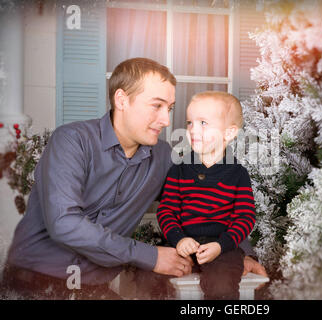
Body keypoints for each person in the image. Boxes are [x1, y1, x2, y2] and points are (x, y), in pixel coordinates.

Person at [1, 58, 266, 300]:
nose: (165, 120)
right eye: (157, 106)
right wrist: (151, 256)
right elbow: (65, 223)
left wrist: (235, 252)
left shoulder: (163, 158)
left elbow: (207, 195)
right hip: (31, 283)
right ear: (122, 100)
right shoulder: (72, 141)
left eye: (170, 108)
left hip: (93, 291)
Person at [156, 91, 258, 299]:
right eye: (190, 123)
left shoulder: (237, 174)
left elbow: (245, 217)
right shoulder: (179, 169)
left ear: (228, 133)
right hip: (183, 243)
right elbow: (167, 210)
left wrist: (222, 245)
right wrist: (178, 239)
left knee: (222, 285)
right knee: (150, 278)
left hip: (222, 246)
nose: (193, 129)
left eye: (203, 123)